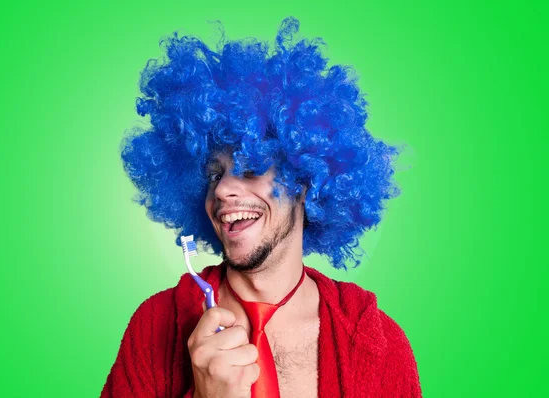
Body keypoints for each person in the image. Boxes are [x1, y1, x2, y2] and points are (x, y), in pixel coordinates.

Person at [100, 16, 422, 397]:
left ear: (305, 181)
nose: (222, 191)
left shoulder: (376, 340)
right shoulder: (155, 327)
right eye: (212, 175)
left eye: (250, 168)